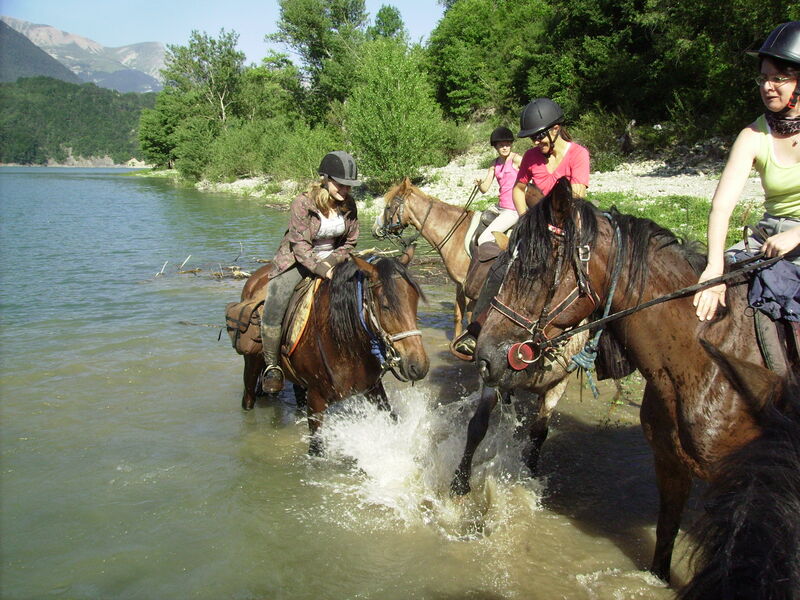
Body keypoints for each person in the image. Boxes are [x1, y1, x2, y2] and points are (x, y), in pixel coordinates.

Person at [452, 98, 591, 359]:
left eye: (539, 136)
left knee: (594, 277)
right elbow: (518, 189)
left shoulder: (578, 155)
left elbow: (577, 195)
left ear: (556, 128)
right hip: (536, 229)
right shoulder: (530, 157)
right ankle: (476, 328)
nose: (535, 142)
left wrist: (549, 217)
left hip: (568, 230)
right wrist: (527, 218)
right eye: (532, 138)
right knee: (500, 266)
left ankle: (599, 344)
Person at [693, 21, 800, 322]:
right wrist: (714, 269)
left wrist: (797, 235)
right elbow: (721, 207)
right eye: (764, 78)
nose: (768, 87)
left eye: (779, 78)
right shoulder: (753, 135)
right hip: (767, 237)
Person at [260, 151, 361, 392]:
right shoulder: (302, 203)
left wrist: (332, 263)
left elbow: (350, 242)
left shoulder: (350, 204)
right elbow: (299, 244)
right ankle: (272, 366)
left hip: (335, 259)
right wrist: (319, 268)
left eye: (349, 186)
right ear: (326, 179)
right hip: (298, 260)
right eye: (340, 184)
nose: (345, 190)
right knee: (276, 299)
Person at [464, 127, 523, 298]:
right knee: (475, 226)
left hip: (513, 209)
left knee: (485, 239)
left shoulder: (518, 160)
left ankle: (500, 270)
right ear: (495, 147)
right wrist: (479, 183)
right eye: (501, 145)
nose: (504, 147)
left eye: (507, 144)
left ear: (511, 144)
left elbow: (531, 175)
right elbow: (485, 189)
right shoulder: (494, 163)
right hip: (499, 207)